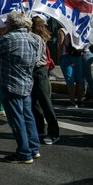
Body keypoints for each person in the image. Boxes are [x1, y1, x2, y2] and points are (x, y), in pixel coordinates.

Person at [0, 12, 40, 164]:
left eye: (7, 22)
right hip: (26, 83)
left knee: (17, 120)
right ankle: (34, 148)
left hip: (10, 84)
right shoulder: (32, 38)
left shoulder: (9, 39)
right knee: (28, 117)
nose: (5, 25)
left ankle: (24, 153)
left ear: (11, 24)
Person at [30, 16, 60, 145]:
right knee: (35, 103)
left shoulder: (37, 38)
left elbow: (35, 59)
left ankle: (54, 133)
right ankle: (40, 129)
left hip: (39, 71)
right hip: (36, 71)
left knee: (45, 103)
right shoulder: (37, 37)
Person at [57, 27, 84, 107]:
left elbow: (61, 45)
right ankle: (80, 99)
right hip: (77, 56)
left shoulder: (62, 30)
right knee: (79, 79)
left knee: (70, 80)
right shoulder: (76, 27)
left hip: (66, 56)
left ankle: (72, 101)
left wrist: (59, 57)